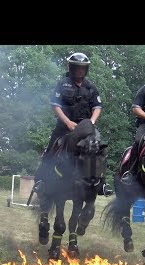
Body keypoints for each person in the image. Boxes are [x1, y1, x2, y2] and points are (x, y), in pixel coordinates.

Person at [33, 52, 103, 194]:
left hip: (85, 127)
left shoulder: (91, 86)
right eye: (77, 67)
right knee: (50, 151)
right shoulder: (62, 84)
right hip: (64, 126)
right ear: (71, 68)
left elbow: (97, 107)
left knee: (100, 146)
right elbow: (55, 105)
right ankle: (41, 181)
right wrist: (67, 122)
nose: (80, 70)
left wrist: (91, 122)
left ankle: (101, 182)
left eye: (83, 68)